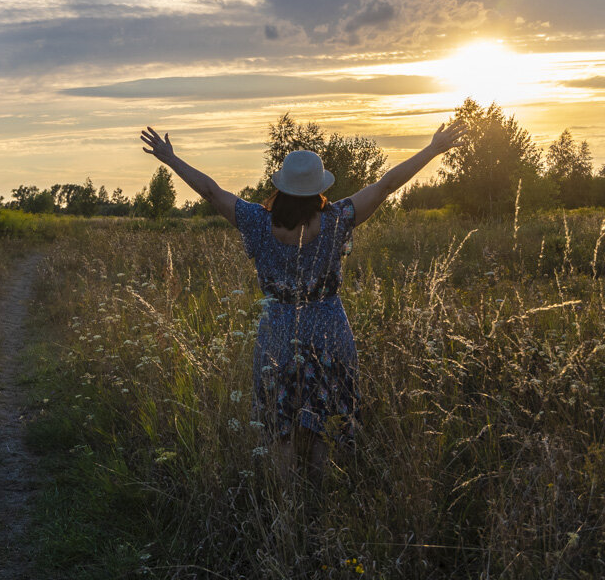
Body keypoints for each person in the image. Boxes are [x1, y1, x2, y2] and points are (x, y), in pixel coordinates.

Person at [139, 121, 467, 476]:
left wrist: (171, 160)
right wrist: (432, 150)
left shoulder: (256, 221)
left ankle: (285, 510)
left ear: (282, 187)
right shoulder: (339, 219)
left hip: (278, 335)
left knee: (281, 429)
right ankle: (320, 511)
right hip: (329, 333)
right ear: (317, 189)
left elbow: (211, 192)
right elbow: (386, 184)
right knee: (323, 428)